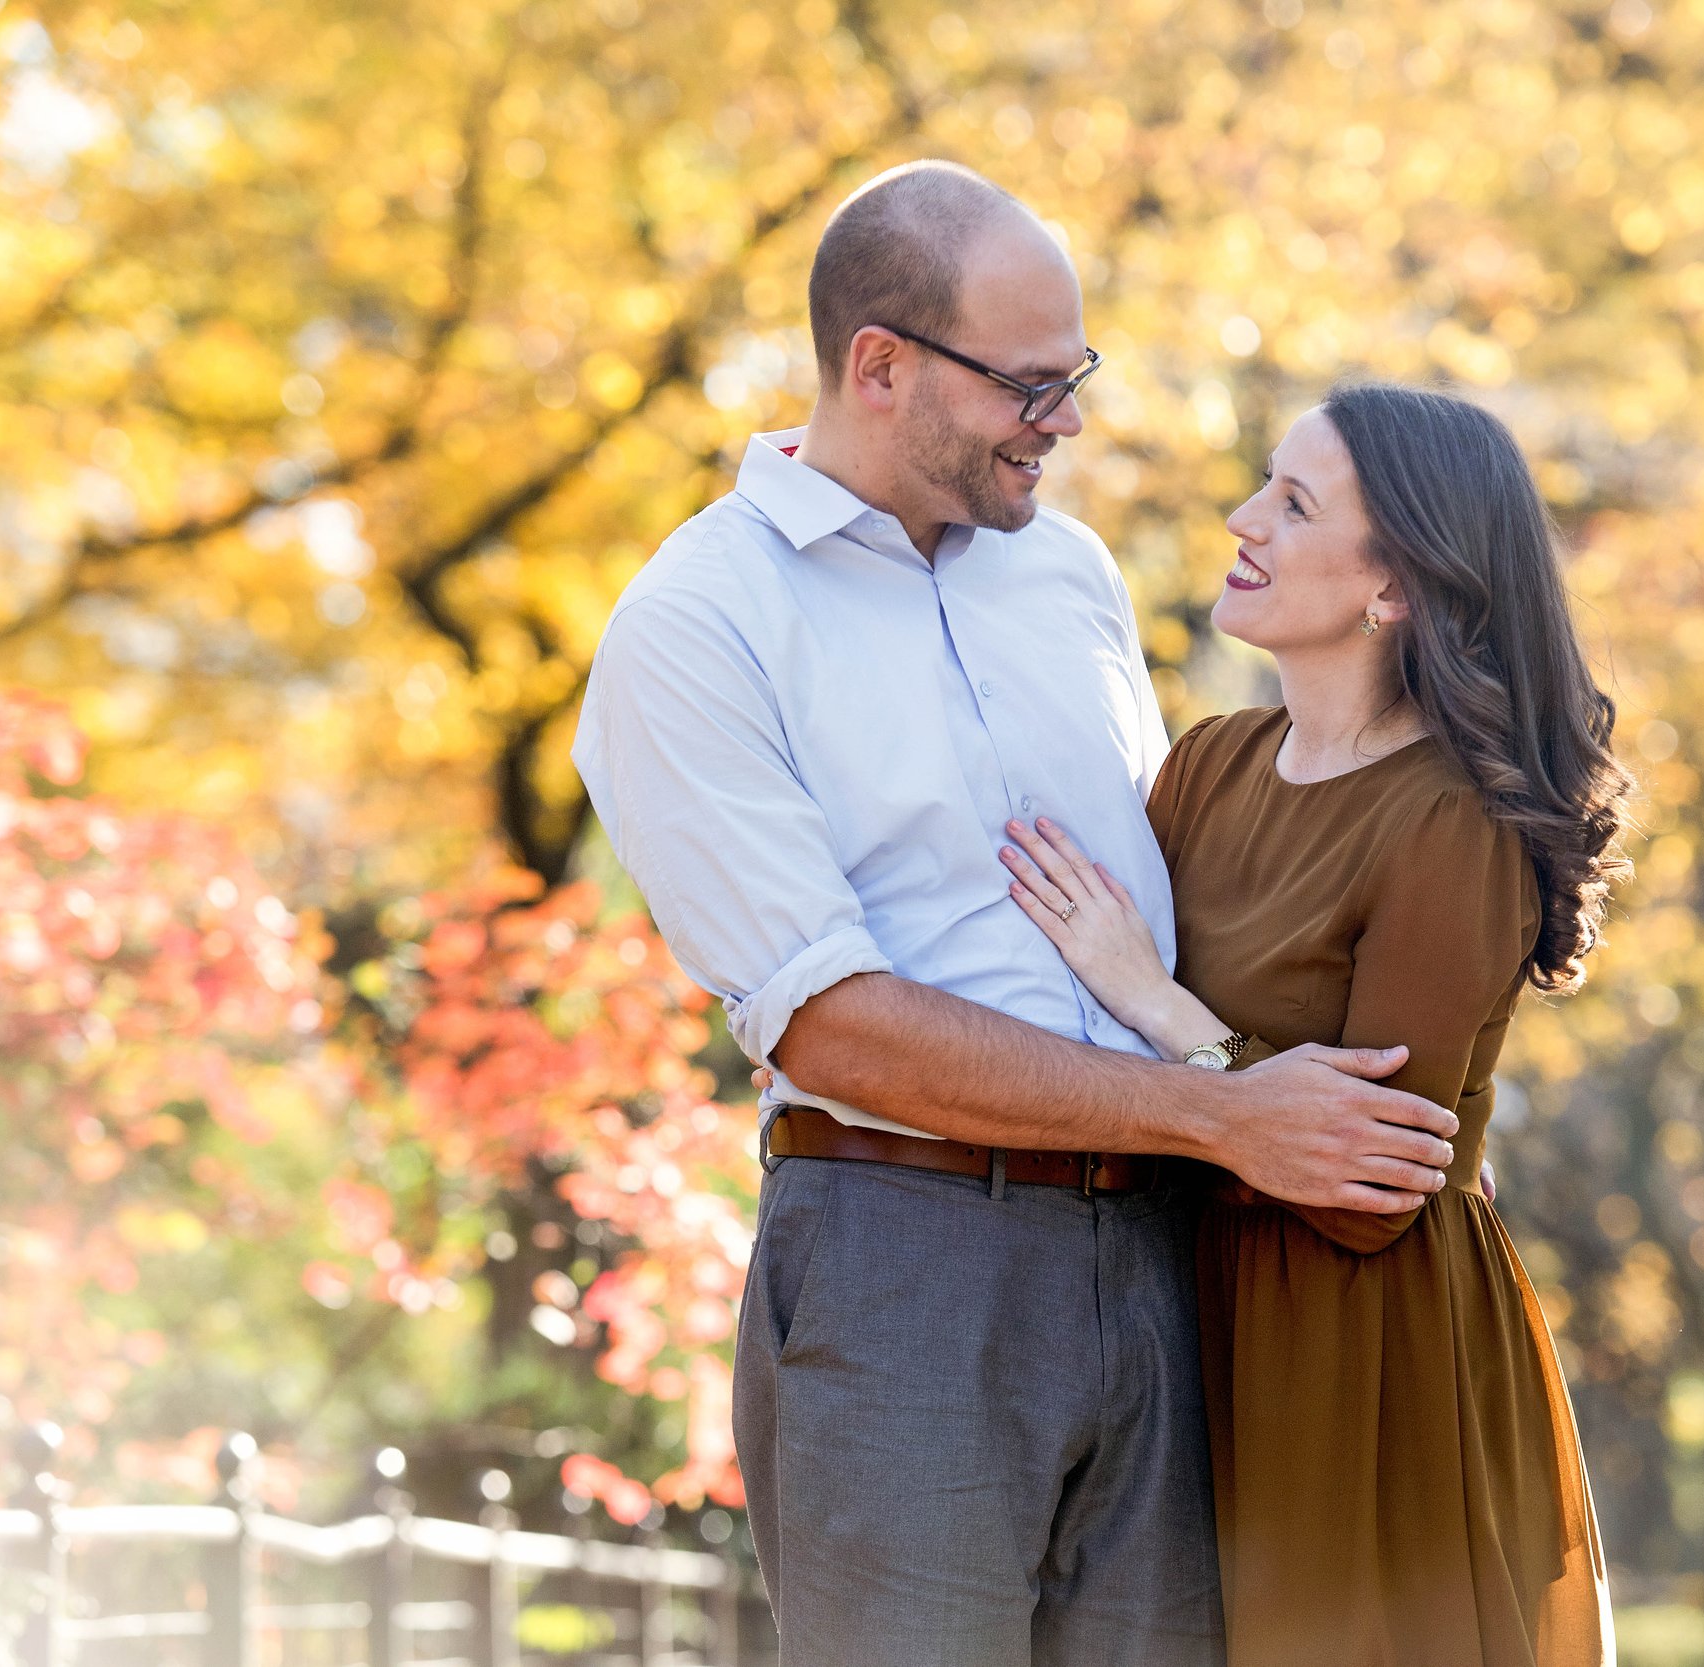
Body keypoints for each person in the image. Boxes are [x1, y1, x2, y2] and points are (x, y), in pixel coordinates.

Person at [571, 161, 1462, 1667]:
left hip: (1169, 1255)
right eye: (1030, 386)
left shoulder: (1067, 572)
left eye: (1078, 376)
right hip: (907, 1258)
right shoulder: (697, 624)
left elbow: (1167, 901)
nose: (1069, 419)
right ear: (880, 365)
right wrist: (1224, 1115)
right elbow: (835, 1023)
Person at [993, 383, 1632, 1666]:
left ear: (1393, 584)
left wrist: (1159, 1002)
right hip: (1176, 1310)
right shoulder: (1208, 765)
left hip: (1357, 1351)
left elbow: (1362, 1192)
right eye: (1261, 485)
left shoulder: (1451, 818)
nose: (1243, 518)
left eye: (1292, 502)